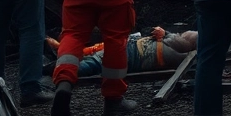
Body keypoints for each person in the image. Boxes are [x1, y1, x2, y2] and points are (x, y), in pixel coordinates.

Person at [45, 28, 197, 77]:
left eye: (186, 35)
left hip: (129, 56)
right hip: (128, 46)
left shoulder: (180, 55)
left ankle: (56, 69)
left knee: (94, 63)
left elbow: (177, 43)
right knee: (96, 50)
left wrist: (166, 34)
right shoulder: (173, 42)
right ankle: (63, 52)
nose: (183, 33)